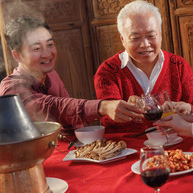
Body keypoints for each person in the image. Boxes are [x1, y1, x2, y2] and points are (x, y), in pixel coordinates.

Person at [0, 16, 143, 131]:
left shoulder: (51, 75)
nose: (47, 54)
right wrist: (102, 107)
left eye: (50, 45)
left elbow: (71, 120)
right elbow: (54, 107)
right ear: (17, 55)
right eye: (36, 48)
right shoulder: (10, 88)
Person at [94, 0, 193, 133]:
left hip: (178, 145)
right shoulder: (108, 71)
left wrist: (187, 109)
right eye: (135, 38)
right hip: (129, 148)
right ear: (122, 39)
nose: (145, 44)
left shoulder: (179, 65)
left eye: (151, 36)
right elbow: (108, 123)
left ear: (160, 35)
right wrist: (126, 111)